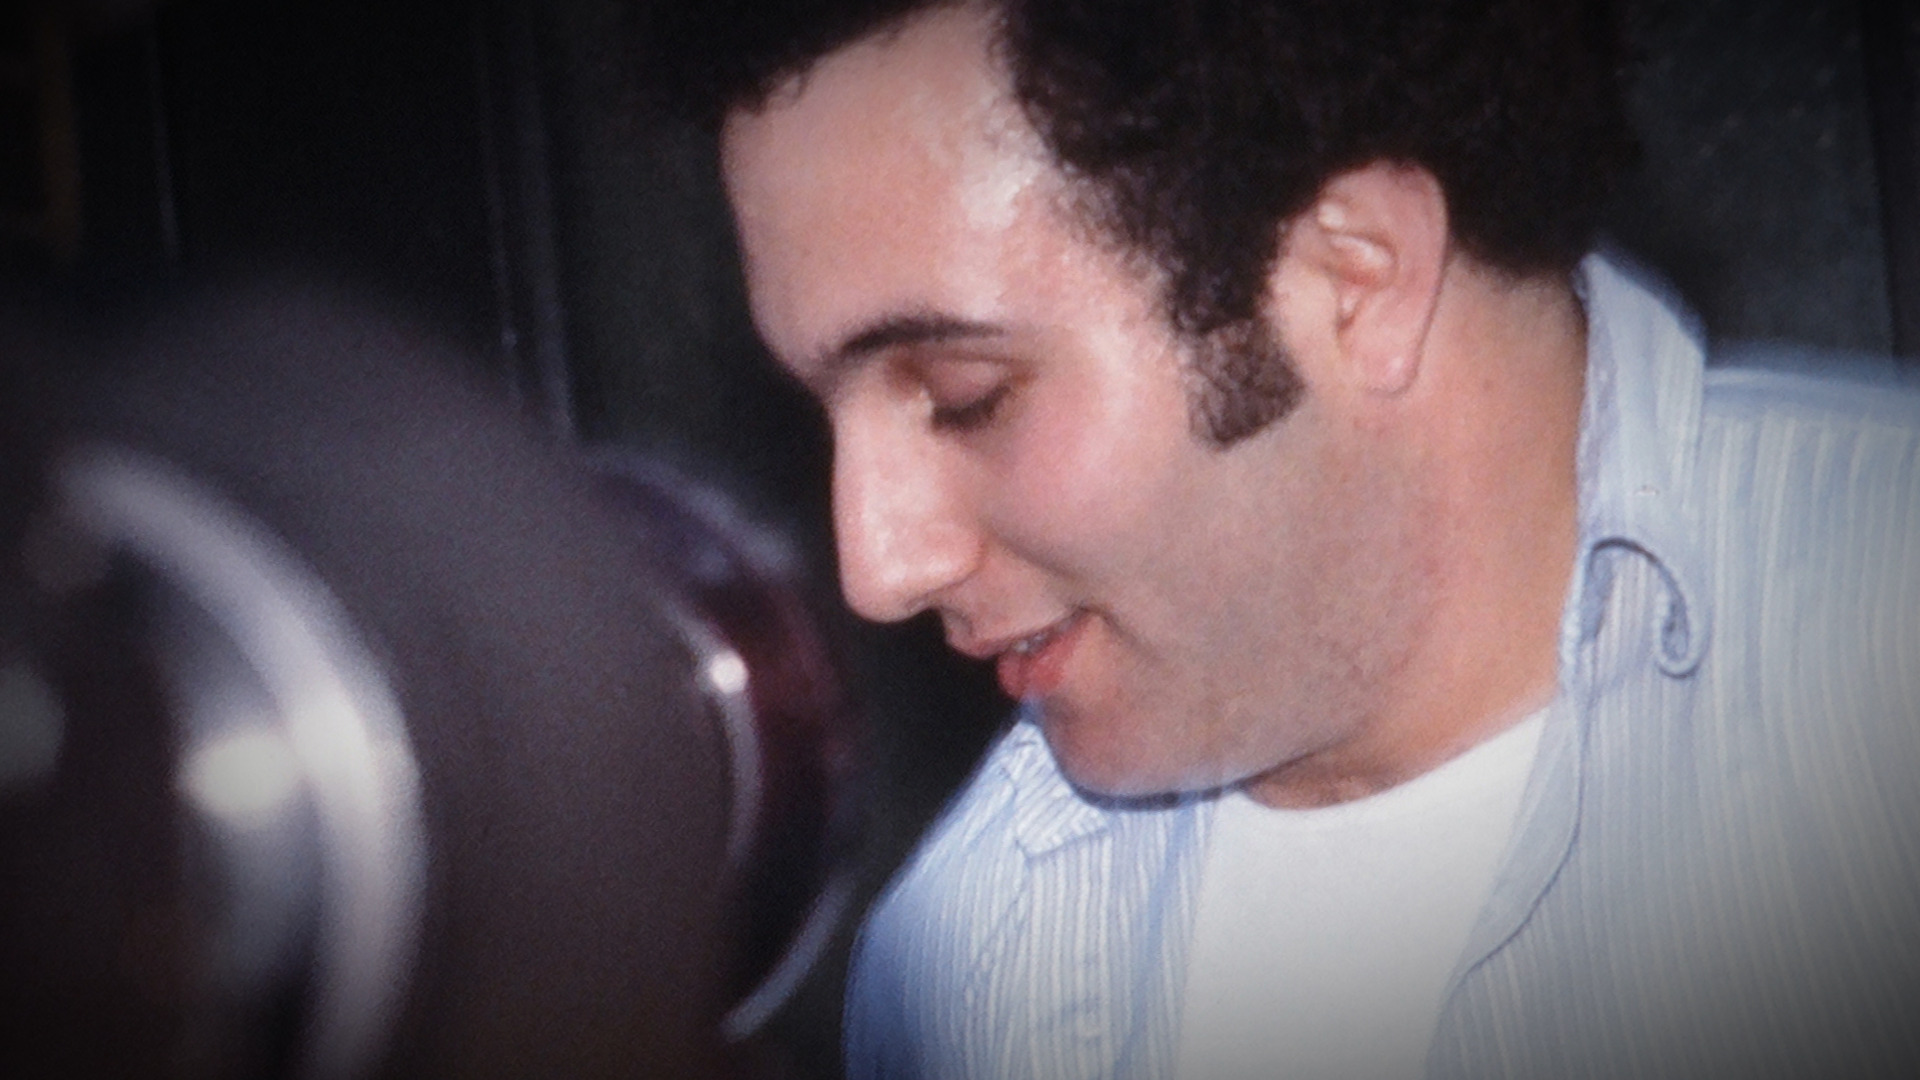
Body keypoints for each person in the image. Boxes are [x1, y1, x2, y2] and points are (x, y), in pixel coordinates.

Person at [631, 1, 1920, 1076]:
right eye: (822, 419)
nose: (877, 567)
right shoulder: (960, 964)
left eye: (968, 394)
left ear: (1356, 280)